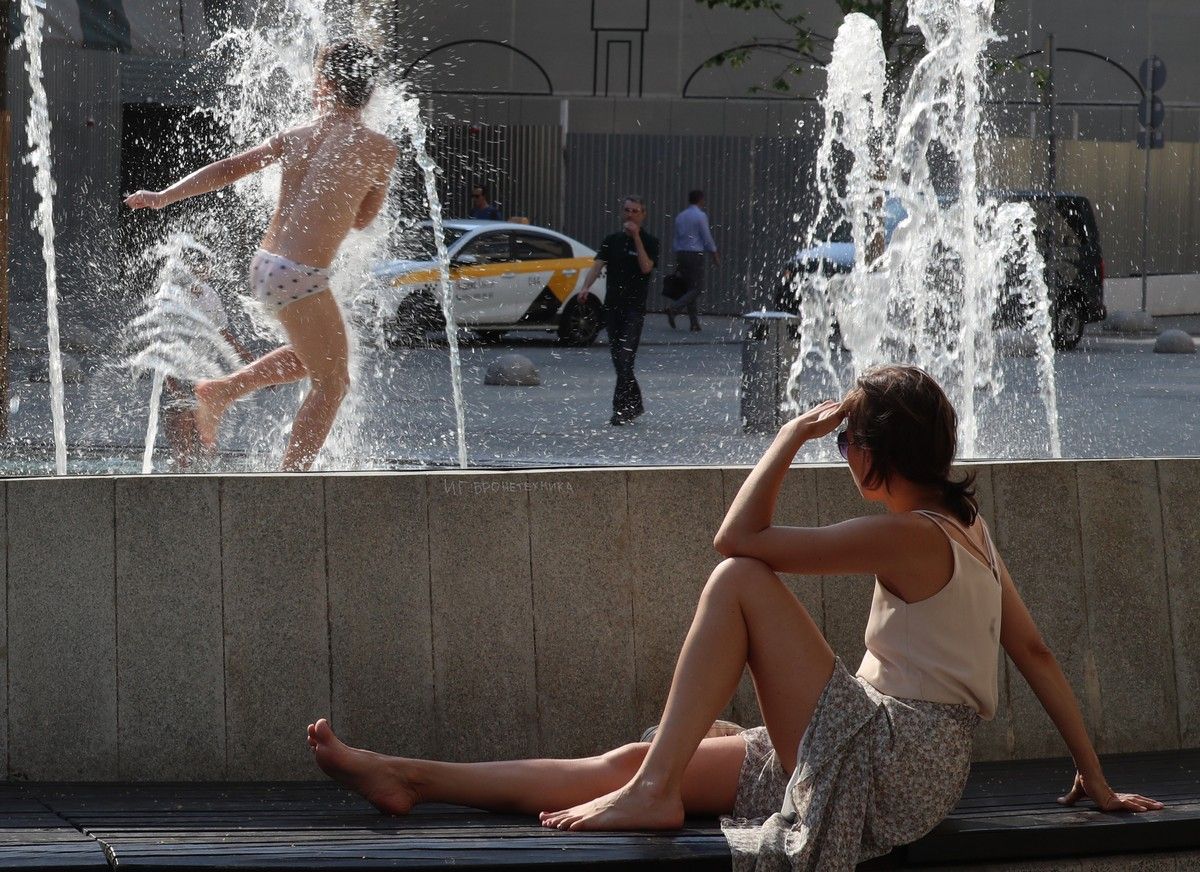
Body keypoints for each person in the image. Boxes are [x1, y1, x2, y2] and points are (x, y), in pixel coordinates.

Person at [304, 363, 1162, 869]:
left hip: (889, 758)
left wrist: (787, 436)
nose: (840, 454)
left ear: (873, 452)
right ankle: (411, 777)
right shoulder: (969, 529)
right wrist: (1093, 779)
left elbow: (737, 539)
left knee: (740, 581)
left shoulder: (907, 535)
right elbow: (1035, 651)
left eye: (844, 442)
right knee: (633, 758)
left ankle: (650, 794)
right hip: (903, 758)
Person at [124, 39, 398, 471]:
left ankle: (223, 390)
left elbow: (229, 168)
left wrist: (164, 196)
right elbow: (364, 220)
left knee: (315, 356)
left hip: (267, 266)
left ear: (323, 84)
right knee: (333, 384)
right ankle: (290, 480)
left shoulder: (297, 136)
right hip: (302, 273)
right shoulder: (380, 148)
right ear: (370, 90)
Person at [159, 245, 254, 470]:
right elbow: (164, 344)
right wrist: (173, 385)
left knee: (204, 432)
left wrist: (248, 359)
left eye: (206, 266)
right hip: (175, 372)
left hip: (201, 372)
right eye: (198, 266)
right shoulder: (172, 296)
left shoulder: (210, 296)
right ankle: (180, 468)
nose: (204, 271)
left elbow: (223, 333)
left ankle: (205, 472)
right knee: (182, 426)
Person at [578, 195, 659, 426]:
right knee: (619, 360)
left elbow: (646, 267)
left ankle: (621, 409)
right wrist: (585, 287)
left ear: (643, 215)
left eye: (635, 211)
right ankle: (635, 404)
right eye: (627, 210)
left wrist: (636, 238)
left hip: (634, 309)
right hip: (612, 307)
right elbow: (597, 266)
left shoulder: (650, 241)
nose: (630, 214)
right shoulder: (611, 240)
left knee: (625, 357)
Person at [668, 189, 721, 332]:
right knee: (696, 288)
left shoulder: (680, 216)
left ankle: (694, 323)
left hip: (681, 253)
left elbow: (677, 237)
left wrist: (678, 253)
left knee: (690, 288)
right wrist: (714, 253)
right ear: (700, 199)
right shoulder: (700, 216)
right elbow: (706, 236)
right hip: (694, 254)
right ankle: (675, 308)